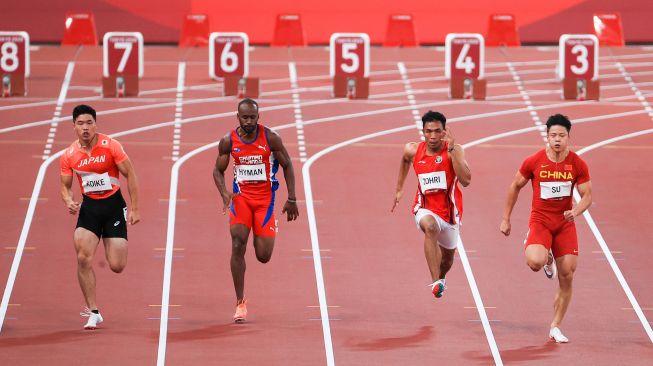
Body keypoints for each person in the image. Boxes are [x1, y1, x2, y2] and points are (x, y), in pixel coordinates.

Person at [500, 114, 592, 343]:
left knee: (568, 274)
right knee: (534, 263)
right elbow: (515, 186)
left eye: (561, 135)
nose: (557, 140)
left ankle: (555, 326)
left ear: (568, 137)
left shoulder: (577, 164)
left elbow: (588, 196)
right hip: (541, 220)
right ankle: (546, 257)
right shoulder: (534, 161)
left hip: (565, 223)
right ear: (547, 137)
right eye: (553, 136)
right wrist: (506, 218)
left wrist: (576, 211)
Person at [213, 98, 299, 323]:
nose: (249, 121)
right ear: (238, 117)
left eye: (253, 117)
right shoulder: (228, 141)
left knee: (263, 256)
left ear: (258, 117)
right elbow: (217, 170)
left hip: (265, 203)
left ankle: (262, 231)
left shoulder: (270, 138)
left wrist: (291, 198)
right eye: (245, 117)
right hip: (241, 199)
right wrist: (223, 192)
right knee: (237, 243)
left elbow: (288, 164)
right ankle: (240, 302)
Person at [59, 104, 140, 330]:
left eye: (89, 123)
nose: (85, 128)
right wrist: (68, 200)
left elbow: (130, 173)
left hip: (114, 207)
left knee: (116, 265)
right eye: (80, 124)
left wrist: (135, 207)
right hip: (90, 210)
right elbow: (64, 187)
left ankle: (111, 240)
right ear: (73, 126)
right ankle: (93, 311)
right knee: (83, 258)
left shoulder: (111, 146)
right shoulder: (69, 155)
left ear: (95, 124)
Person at [391, 111, 471, 299]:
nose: (433, 136)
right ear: (423, 131)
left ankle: (441, 277)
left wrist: (451, 150)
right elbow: (404, 160)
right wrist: (399, 188)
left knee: (447, 261)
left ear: (444, 131)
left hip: (450, 214)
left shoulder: (455, 150)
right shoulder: (412, 150)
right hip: (424, 208)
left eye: (437, 131)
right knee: (431, 227)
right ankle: (435, 282)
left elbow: (466, 180)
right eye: (428, 131)